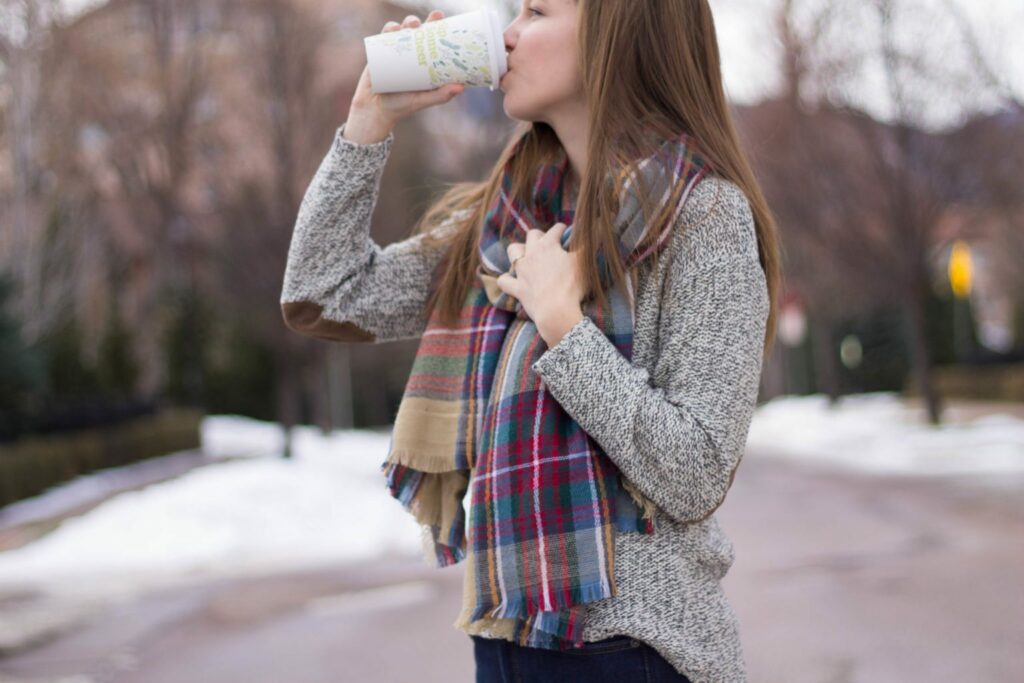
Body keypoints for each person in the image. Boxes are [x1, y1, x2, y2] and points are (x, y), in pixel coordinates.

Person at [280, 1, 780, 681]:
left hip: (636, 653)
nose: (507, 35)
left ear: (617, 33)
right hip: (507, 641)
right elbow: (323, 292)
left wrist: (564, 327)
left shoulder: (703, 215)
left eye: (536, 12)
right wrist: (368, 123)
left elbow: (695, 473)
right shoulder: (507, 219)